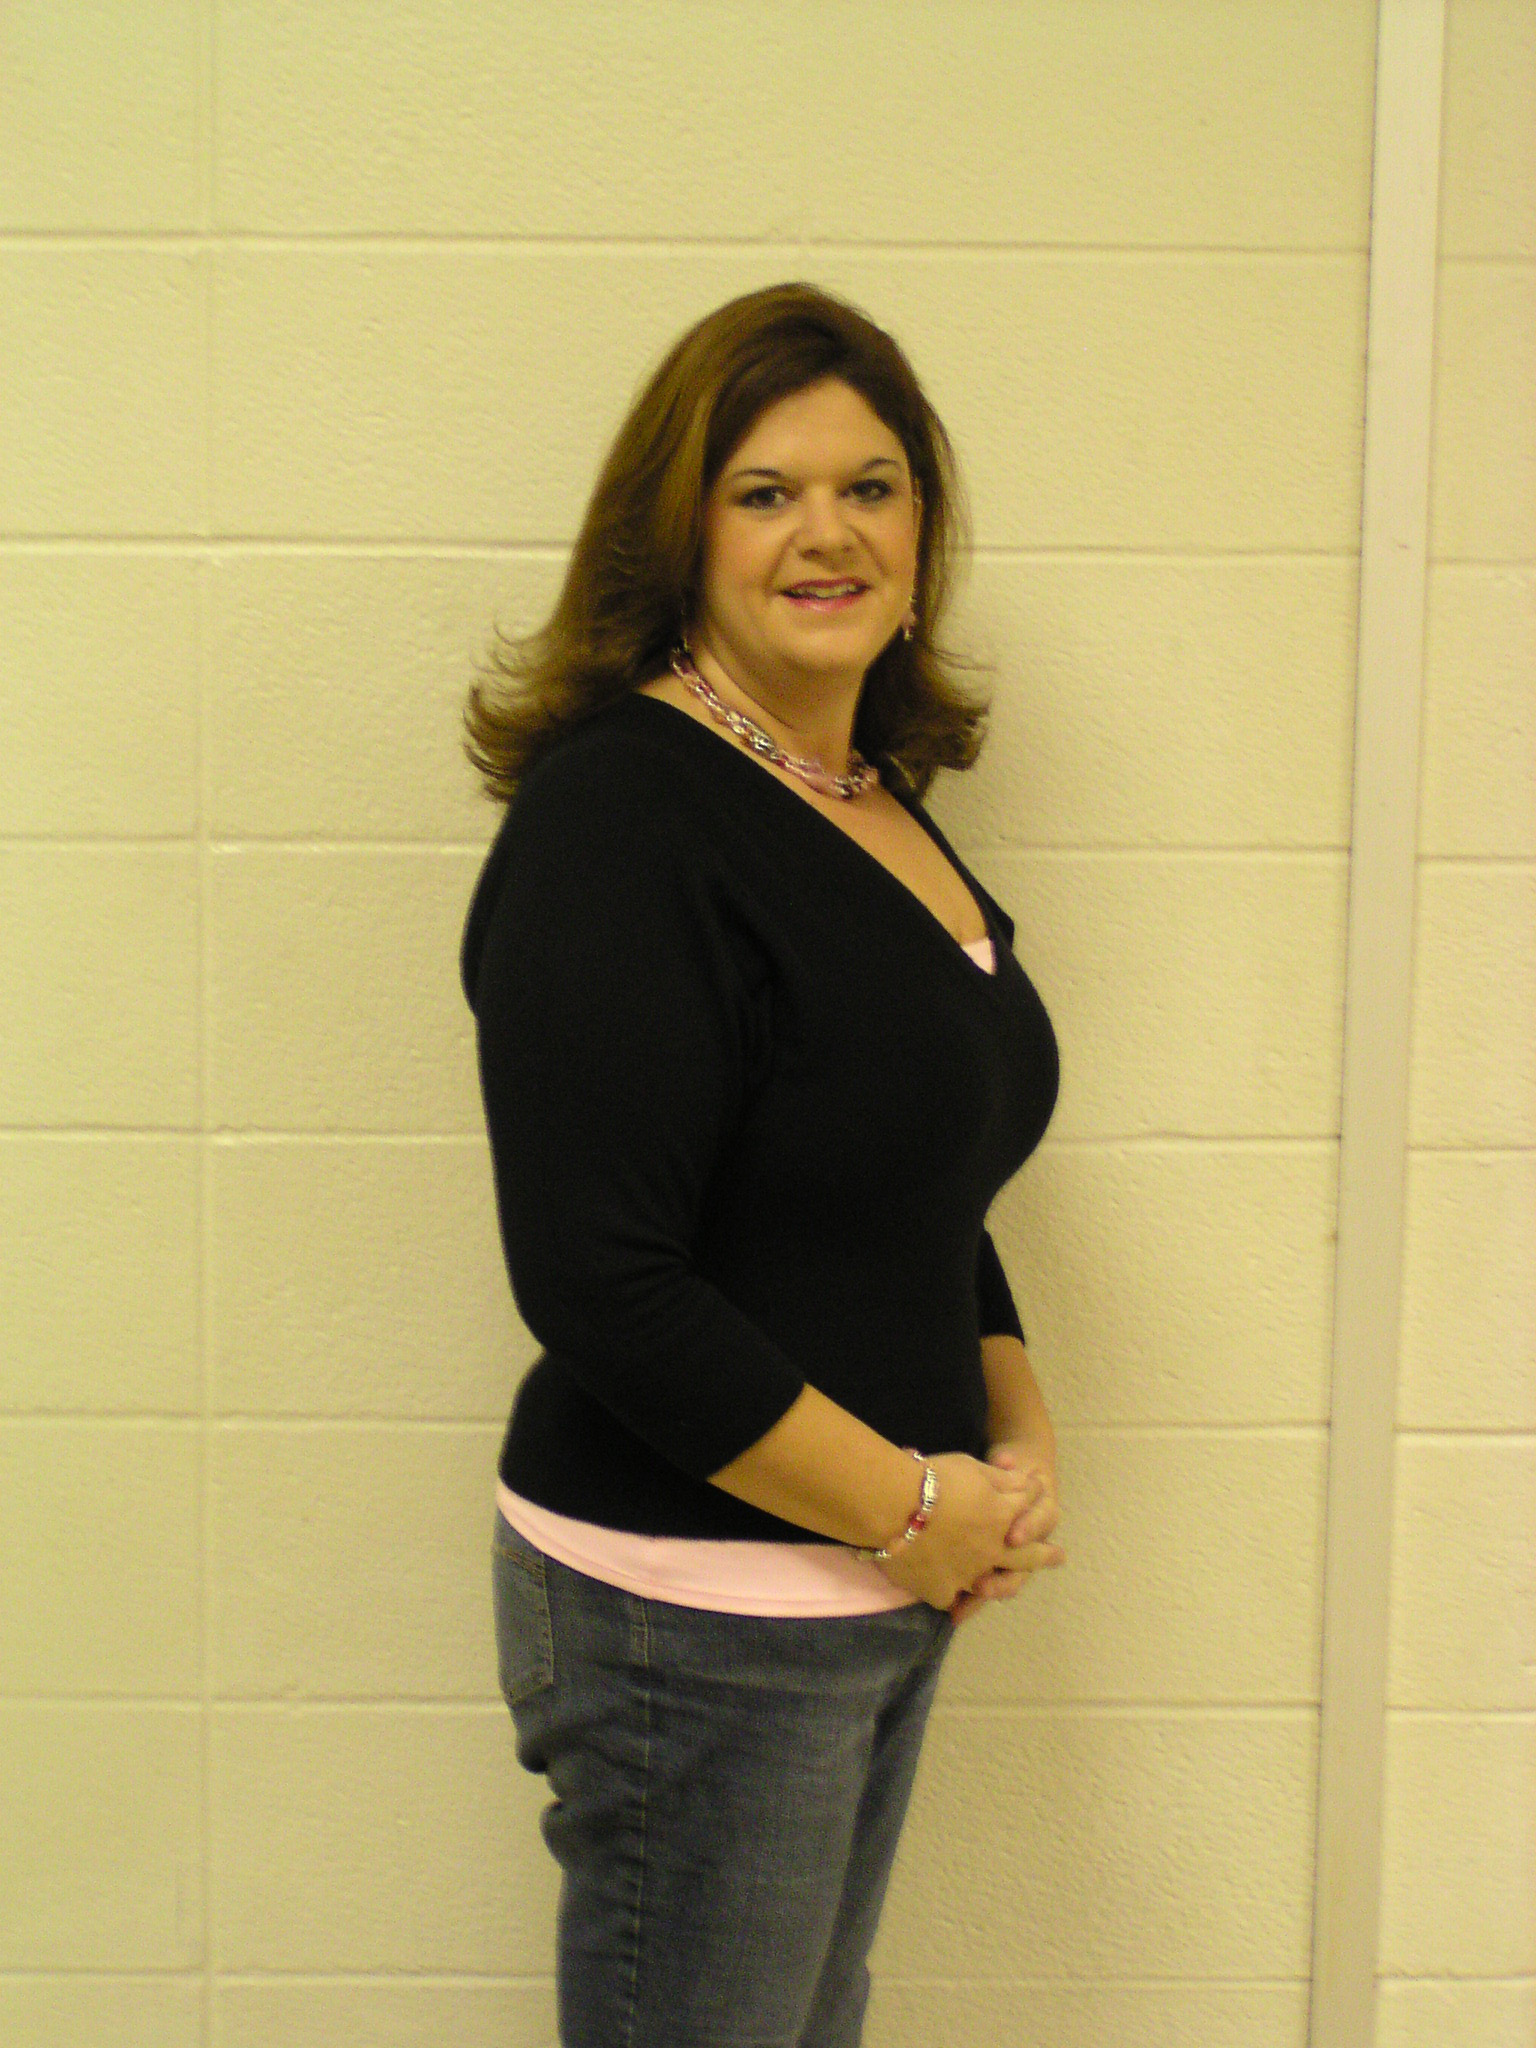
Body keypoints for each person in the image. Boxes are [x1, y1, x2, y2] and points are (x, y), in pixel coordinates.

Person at [459, 281, 1063, 2048]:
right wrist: (919, 1510)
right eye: (765, 492)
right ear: (682, 533)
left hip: (868, 1576)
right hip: (696, 1613)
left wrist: (1013, 1433)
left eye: (871, 487)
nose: (828, 533)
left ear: (923, 528)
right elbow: (602, 1285)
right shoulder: (620, 817)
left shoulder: (864, 799)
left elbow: (917, 1175)